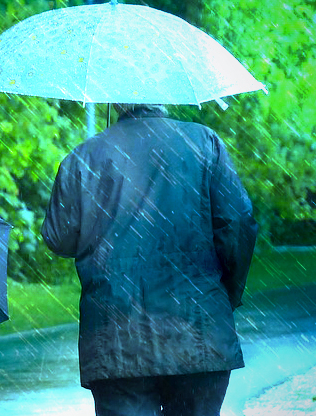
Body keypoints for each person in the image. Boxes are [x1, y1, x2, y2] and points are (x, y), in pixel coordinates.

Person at [41, 104, 258, 416]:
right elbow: (238, 223)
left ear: (114, 100)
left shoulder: (84, 158)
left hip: (116, 338)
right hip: (198, 331)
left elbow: (58, 237)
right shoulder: (204, 143)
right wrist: (227, 294)